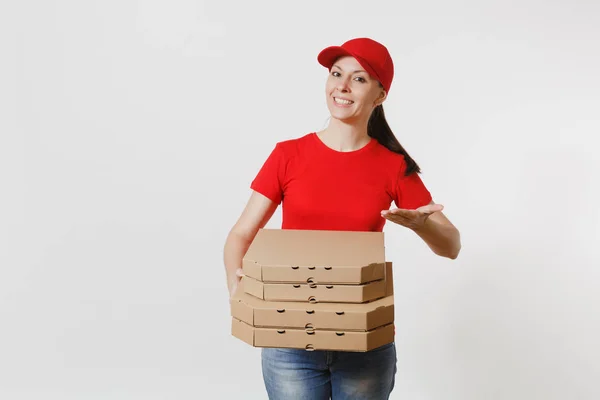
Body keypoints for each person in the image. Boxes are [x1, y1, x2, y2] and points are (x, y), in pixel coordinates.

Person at [223, 37, 461, 400]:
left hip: (364, 341)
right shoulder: (289, 155)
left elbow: (452, 247)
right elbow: (241, 234)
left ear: (380, 95)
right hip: (289, 341)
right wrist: (236, 292)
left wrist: (422, 225)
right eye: (336, 74)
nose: (342, 86)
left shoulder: (393, 166)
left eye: (359, 78)